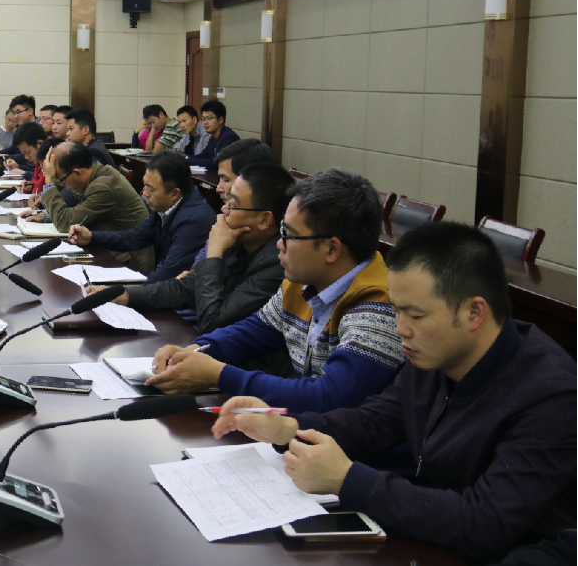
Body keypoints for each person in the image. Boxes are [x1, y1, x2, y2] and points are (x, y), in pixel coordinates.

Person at [211, 222, 577, 564]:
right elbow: (374, 422)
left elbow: (486, 523)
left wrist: (348, 479)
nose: (400, 328)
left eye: (415, 316)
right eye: (397, 311)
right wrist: (289, 428)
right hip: (430, 539)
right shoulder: (437, 353)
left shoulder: (551, 397)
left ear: (474, 312)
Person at [147, 168, 405, 414]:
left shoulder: (381, 307)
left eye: (289, 235)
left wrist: (219, 375)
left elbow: (328, 397)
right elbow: (250, 332)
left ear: (331, 249)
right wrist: (195, 351)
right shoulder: (302, 283)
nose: (280, 244)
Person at [90, 163, 293, 333]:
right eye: (228, 199)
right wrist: (125, 294)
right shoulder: (238, 240)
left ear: (264, 220)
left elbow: (212, 323)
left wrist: (214, 254)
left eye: (233, 204)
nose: (224, 208)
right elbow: (183, 288)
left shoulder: (277, 266)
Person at [70, 152, 216, 283]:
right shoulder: (165, 206)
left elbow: (167, 275)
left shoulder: (193, 221)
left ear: (174, 194)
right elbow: (133, 238)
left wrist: (123, 294)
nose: (144, 193)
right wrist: (91, 237)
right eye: (144, 186)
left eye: (150, 188)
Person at [38, 141, 151, 271]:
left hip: (128, 262)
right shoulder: (99, 173)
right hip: (110, 252)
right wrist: (46, 216)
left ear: (77, 173)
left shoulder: (103, 186)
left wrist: (49, 181)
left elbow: (64, 222)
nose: (60, 184)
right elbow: (80, 211)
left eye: (59, 179)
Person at [188, 139, 279, 268]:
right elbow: (197, 267)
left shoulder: (277, 257)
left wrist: (214, 254)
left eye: (226, 180)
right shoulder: (229, 221)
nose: (218, 188)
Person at [188, 100, 239, 168]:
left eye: (209, 118)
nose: (205, 122)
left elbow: (216, 163)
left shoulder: (229, 138)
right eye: (203, 119)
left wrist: (188, 159)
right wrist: (185, 158)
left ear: (221, 120)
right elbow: (203, 156)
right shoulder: (213, 137)